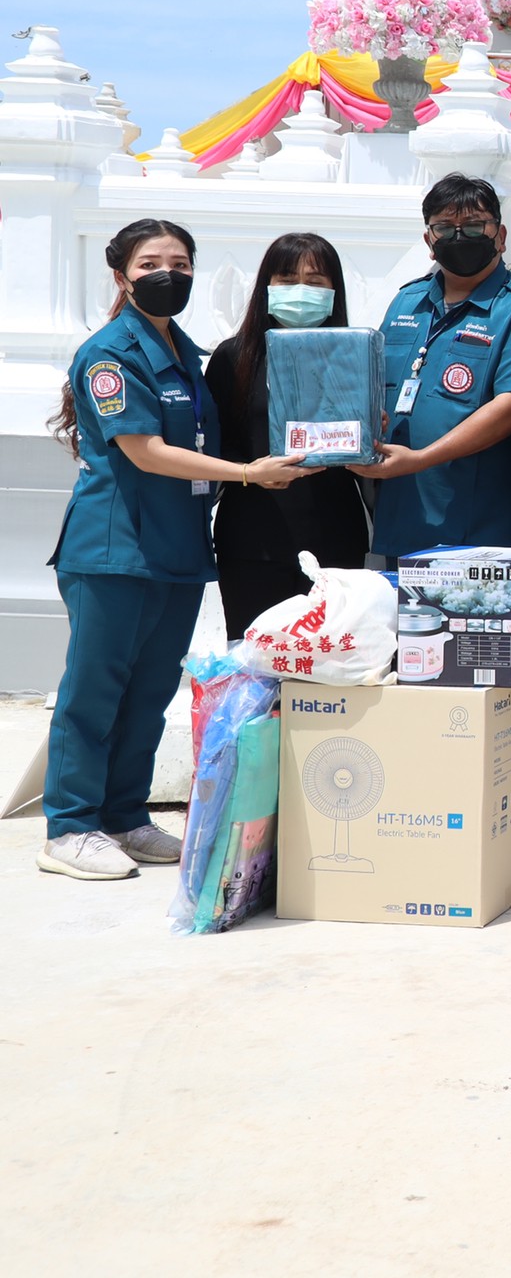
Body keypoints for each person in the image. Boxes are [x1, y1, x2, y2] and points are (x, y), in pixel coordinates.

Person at [41, 220, 309, 880]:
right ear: (121, 275)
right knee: (95, 691)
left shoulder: (185, 352)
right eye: (151, 263)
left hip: (178, 550)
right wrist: (247, 474)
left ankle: (124, 817)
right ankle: (70, 826)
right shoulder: (111, 354)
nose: (169, 274)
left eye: (181, 263)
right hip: (115, 547)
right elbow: (145, 451)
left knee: (151, 691)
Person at [352, 174, 511, 561]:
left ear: (500, 235)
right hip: (402, 515)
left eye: (473, 226)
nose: (459, 236)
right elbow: (372, 386)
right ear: (429, 241)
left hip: (480, 528)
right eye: (445, 227)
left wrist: (422, 458)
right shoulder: (406, 302)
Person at [203, 232, 372, 636]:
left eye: (314, 281)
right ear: (267, 287)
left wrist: (372, 439)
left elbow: (371, 451)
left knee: (327, 663)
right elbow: (212, 448)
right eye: (287, 279)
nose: (300, 291)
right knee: (255, 658)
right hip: (253, 540)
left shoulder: (356, 355)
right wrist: (251, 472)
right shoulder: (233, 357)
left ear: (334, 290)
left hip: (336, 538)